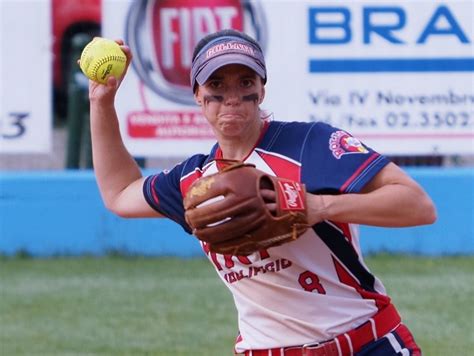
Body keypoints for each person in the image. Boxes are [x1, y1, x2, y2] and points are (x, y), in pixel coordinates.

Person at [86, 29, 436, 355]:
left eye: (246, 81)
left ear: (262, 89)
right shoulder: (192, 179)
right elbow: (119, 193)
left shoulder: (308, 144)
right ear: (197, 94)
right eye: (217, 83)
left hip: (364, 343)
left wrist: (318, 205)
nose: (232, 97)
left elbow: (418, 205)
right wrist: (102, 104)